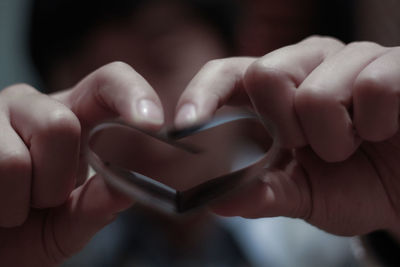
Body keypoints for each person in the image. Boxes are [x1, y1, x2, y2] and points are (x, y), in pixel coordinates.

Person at [0, 0, 398, 266]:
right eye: (100, 93)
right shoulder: (38, 247)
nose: (142, 119)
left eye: (164, 60)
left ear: (233, 52)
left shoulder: (350, 237)